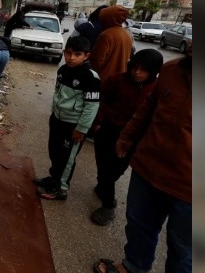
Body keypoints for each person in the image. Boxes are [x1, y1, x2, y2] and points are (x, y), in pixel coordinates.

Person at [93, 44, 192, 273]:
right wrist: (126, 137)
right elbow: (148, 109)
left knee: (184, 250)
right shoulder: (171, 71)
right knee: (139, 225)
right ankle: (133, 266)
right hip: (149, 168)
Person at [90, 49, 163, 226]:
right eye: (135, 67)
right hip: (109, 130)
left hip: (134, 137)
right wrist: (98, 123)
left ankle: (105, 188)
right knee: (104, 167)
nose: (137, 73)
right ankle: (108, 204)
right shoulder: (117, 80)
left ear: (153, 71)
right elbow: (101, 100)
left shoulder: (157, 89)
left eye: (143, 70)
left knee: (117, 169)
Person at [33, 36, 100, 200]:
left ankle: (60, 189)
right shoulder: (62, 71)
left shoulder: (91, 78)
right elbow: (57, 94)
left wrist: (81, 129)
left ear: (86, 56)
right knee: (54, 152)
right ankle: (53, 178)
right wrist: (53, 114)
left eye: (77, 54)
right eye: (68, 53)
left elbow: (92, 106)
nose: (71, 58)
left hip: (74, 126)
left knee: (67, 158)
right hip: (57, 120)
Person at [89, 5, 132, 81]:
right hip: (120, 78)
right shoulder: (127, 35)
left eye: (103, 16)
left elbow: (96, 61)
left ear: (109, 18)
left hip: (104, 78)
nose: (101, 19)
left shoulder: (106, 35)